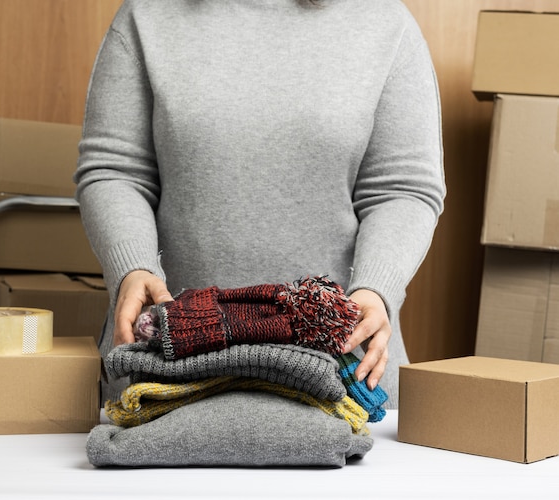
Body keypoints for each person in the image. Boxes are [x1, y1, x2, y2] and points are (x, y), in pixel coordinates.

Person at [73, 0, 446, 406]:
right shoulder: (146, 16)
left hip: (342, 375)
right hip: (164, 371)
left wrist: (377, 287)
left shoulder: (387, 24)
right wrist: (132, 267)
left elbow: (402, 189)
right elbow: (115, 171)